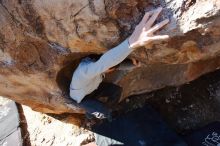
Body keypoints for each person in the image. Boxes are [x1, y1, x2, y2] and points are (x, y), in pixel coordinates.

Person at [69, 7, 169, 119]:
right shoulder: (84, 71)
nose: (111, 70)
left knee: (116, 91)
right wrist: (131, 43)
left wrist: (135, 64)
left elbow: (114, 65)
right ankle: (101, 114)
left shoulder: (100, 70)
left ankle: (100, 110)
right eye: (110, 68)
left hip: (93, 90)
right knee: (103, 112)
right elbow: (106, 62)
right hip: (82, 98)